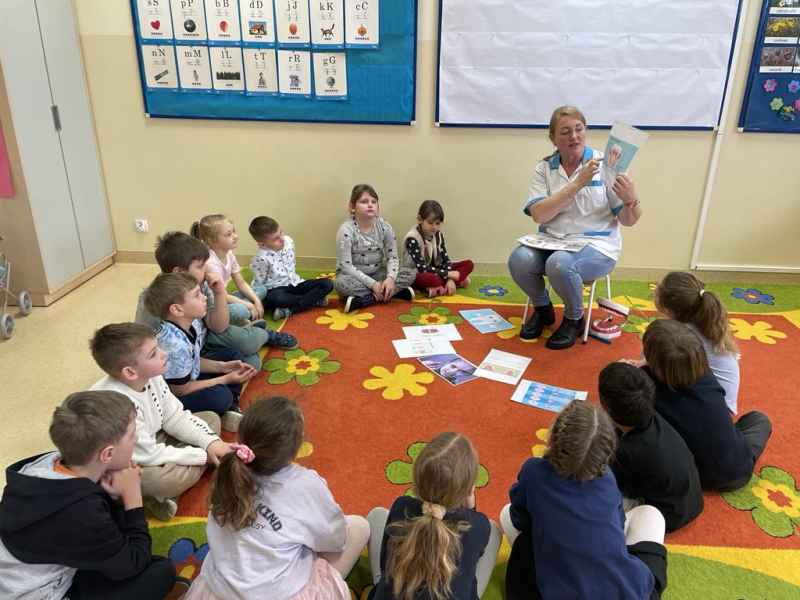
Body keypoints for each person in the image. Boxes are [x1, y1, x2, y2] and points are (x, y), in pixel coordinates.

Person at [184, 396, 370, 600]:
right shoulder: (305, 484)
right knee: (359, 526)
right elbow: (335, 540)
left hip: (219, 591)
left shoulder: (227, 472)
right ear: (297, 447)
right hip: (278, 594)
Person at [0, 391, 177, 600]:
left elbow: (104, 532)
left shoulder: (45, 463)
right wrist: (132, 499)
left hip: (16, 573)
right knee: (160, 571)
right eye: (132, 435)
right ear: (107, 454)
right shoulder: (81, 512)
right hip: (37, 593)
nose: (137, 439)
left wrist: (114, 498)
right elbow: (134, 562)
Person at [502, 400, 668, 600]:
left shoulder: (534, 471)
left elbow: (519, 518)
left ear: (553, 437)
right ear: (607, 451)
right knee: (651, 514)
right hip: (630, 592)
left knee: (507, 513)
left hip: (554, 589)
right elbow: (619, 525)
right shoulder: (607, 479)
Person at [508, 105, 643, 350]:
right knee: (519, 260)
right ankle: (543, 308)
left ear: (585, 130)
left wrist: (631, 200)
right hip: (552, 241)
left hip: (597, 245)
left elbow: (628, 220)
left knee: (559, 264)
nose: (574, 136)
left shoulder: (606, 164)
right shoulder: (544, 168)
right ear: (553, 139)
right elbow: (539, 214)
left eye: (579, 129)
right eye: (565, 132)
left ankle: (574, 318)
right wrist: (578, 183)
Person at [90, 322, 234, 521]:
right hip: (130, 460)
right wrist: (203, 456)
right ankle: (153, 493)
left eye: (157, 347)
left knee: (211, 419)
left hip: (151, 440)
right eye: (153, 354)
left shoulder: (151, 376)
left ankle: (164, 494)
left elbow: (174, 416)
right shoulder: (118, 406)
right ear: (130, 372)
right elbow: (148, 455)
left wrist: (211, 443)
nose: (164, 354)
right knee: (157, 481)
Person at [367, 432, 501, 600]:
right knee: (493, 533)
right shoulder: (478, 525)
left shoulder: (401, 507)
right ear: (469, 489)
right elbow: (473, 547)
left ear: (416, 479)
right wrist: (470, 509)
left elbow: (385, 563)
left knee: (377, 515)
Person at [642, 319, 771, 491]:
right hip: (738, 470)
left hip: (694, 475)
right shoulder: (706, 377)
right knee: (759, 419)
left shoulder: (648, 385)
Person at [134, 231, 292, 370]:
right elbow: (145, 344)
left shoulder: (199, 281)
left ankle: (261, 333)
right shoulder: (152, 300)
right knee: (252, 363)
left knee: (243, 318)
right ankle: (250, 330)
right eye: (201, 266)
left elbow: (217, 326)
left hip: (207, 330)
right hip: (191, 348)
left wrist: (219, 292)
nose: (207, 270)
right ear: (179, 271)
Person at [599, 362, 703, 532]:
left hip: (666, 516)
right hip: (692, 499)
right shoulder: (653, 417)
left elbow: (616, 486)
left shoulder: (625, 452)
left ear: (605, 407)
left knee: (598, 500)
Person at [142, 272, 257, 425]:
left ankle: (231, 405)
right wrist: (225, 379)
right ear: (177, 310)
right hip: (175, 395)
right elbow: (180, 390)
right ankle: (227, 404)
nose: (204, 298)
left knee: (233, 355)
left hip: (189, 378)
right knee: (221, 396)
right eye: (197, 295)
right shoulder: (174, 346)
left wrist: (222, 366)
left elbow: (193, 361)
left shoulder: (192, 322)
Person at [654, 271, 740, 413]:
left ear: (667, 310)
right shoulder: (704, 323)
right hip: (723, 404)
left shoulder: (681, 336)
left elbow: (663, 369)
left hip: (713, 408)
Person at [334, 184, 417, 313]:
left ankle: (368, 298)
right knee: (340, 284)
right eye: (364, 202)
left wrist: (390, 279)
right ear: (352, 207)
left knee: (410, 272)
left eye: (374, 202)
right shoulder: (346, 230)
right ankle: (393, 293)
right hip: (354, 277)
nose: (370, 205)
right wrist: (372, 284)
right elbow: (346, 266)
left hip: (378, 273)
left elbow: (392, 257)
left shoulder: (385, 227)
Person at [248, 216, 334, 321]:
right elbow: (259, 283)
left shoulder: (288, 241)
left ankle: (289, 310)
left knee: (327, 284)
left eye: (281, 233)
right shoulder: (260, 258)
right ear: (262, 244)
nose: (282, 239)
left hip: (296, 283)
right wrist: (255, 300)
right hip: (277, 289)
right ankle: (314, 300)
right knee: (275, 299)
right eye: (275, 239)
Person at [191, 214, 270, 328]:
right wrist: (249, 305)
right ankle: (243, 320)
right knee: (240, 310)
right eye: (229, 234)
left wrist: (256, 301)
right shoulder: (210, 263)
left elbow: (240, 282)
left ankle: (247, 316)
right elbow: (221, 295)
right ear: (212, 240)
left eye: (234, 232)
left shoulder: (229, 254)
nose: (235, 236)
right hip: (214, 306)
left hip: (226, 297)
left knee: (261, 289)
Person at [401, 200, 474, 298]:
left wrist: (449, 279)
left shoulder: (438, 235)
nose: (434, 227)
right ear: (420, 219)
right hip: (416, 273)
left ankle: (441, 287)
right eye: (430, 223)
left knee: (469, 264)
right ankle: (453, 283)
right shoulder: (412, 238)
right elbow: (422, 268)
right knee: (433, 279)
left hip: (436, 270)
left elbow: (446, 260)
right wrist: (449, 274)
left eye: (437, 223)